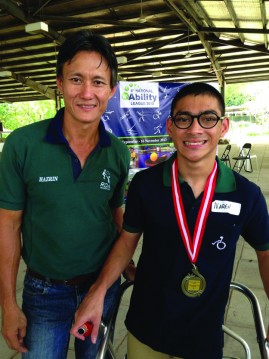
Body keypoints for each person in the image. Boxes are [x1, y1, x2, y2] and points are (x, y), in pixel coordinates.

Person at [70, 82, 269, 359]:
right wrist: (98, 291)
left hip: (204, 337)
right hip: (146, 332)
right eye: (184, 119)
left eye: (208, 118)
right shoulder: (146, 185)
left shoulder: (246, 194)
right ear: (170, 126)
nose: (195, 129)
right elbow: (127, 242)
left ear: (223, 127)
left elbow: (265, 252)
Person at [0, 30, 130, 358]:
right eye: (76, 79)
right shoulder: (22, 145)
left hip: (101, 289)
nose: (87, 93)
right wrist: (8, 305)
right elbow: (8, 226)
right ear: (60, 84)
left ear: (111, 90)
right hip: (44, 293)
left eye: (98, 82)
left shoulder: (117, 153)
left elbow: (116, 213)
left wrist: (126, 264)